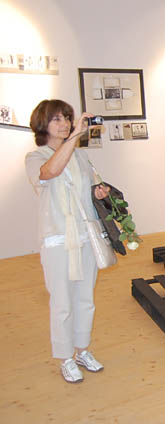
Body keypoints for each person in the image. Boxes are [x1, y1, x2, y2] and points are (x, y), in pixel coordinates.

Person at [25, 99, 110, 383]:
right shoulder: (36, 157)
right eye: (57, 119)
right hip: (57, 239)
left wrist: (98, 192)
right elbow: (50, 173)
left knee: (85, 298)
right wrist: (74, 137)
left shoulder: (81, 157)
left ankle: (82, 349)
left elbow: (89, 188)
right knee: (62, 301)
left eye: (67, 118)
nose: (64, 124)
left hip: (86, 234)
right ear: (43, 124)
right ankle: (65, 357)